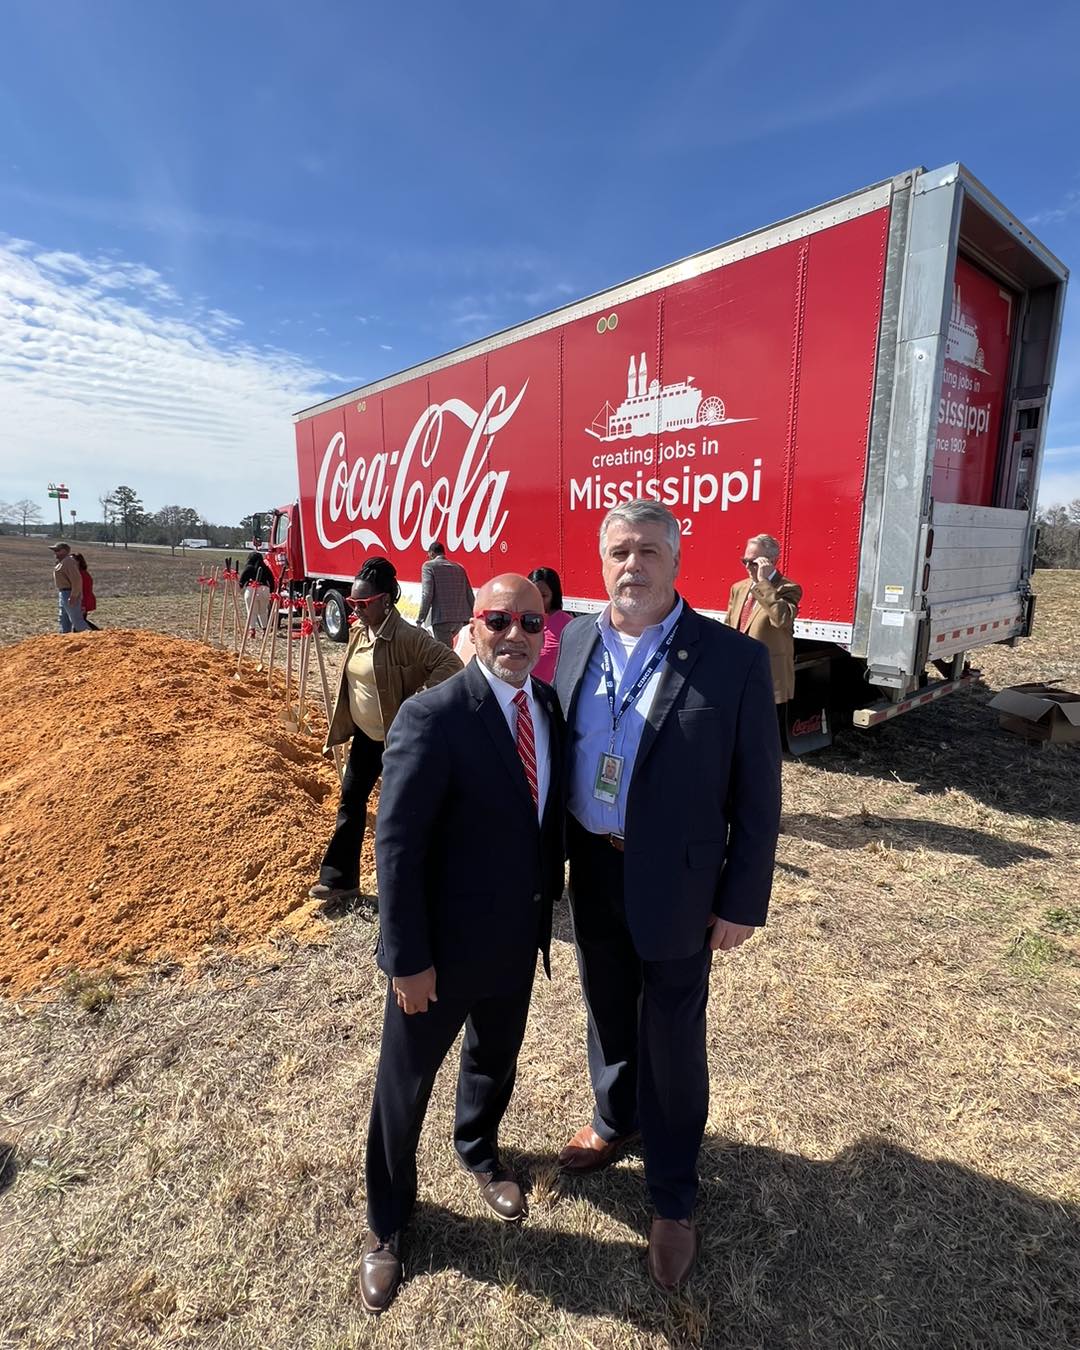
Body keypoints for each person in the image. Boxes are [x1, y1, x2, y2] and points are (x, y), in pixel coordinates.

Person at [554, 499, 781, 1292]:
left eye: (649, 550)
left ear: (677, 561)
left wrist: (742, 898)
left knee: (674, 1038)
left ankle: (674, 1195)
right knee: (606, 1005)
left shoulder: (731, 659)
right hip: (593, 865)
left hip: (682, 882)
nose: (633, 564)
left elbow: (758, 794)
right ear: (601, 560)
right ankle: (616, 1118)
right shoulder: (574, 640)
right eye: (620, 550)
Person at [360, 574, 565, 1315]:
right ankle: (388, 1222)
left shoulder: (546, 706)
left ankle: (479, 1149)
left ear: (546, 632)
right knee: (404, 1087)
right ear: (472, 627)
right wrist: (407, 959)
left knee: (493, 1058)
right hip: (439, 956)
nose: (515, 635)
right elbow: (397, 848)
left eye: (530, 623)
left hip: (516, 940)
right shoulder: (432, 715)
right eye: (498, 620)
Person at [308, 557, 461, 908]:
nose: (356, 609)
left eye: (363, 603)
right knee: (351, 803)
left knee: (400, 815)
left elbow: (451, 664)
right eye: (352, 602)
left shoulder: (407, 636)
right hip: (365, 737)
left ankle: (411, 886)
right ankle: (340, 881)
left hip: (397, 740)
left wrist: (417, 702)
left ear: (385, 600)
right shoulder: (359, 633)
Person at [723, 534, 803, 735]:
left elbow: (782, 619)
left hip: (768, 677)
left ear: (771, 561)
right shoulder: (738, 588)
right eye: (744, 561)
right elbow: (729, 625)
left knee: (764, 735)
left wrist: (764, 582)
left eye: (754, 562)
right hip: (737, 672)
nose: (748, 567)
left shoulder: (788, 588)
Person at [416, 542, 475, 647]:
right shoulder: (459, 568)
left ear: (432, 553)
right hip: (459, 620)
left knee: (444, 653)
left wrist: (420, 620)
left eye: (428, 555)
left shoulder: (428, 566)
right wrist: (475, 616)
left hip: (441, 619)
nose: (428, 558)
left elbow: (427, 594)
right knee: (446, 650)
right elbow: (469, 594)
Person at [528, 566, 573, 683]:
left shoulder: (566, 624)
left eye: (543, 595)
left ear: (553, 595)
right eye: (534, 594)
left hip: (549, 690)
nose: (538, 600)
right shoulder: (519, 619)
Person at [50, 542, 88, 634]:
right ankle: (64, 636)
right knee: (64, 619)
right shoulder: (62, 562)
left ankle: (91, 636)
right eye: (54, 550)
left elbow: (76, 580)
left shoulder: (68, 561)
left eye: (57, 550)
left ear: (64, 551)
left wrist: (74, 595)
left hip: (69, 592)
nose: (55, 552)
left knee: (76, 620)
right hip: (63, 592)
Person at [238, 550, 273, 634]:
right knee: (263, 611)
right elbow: (271, 581)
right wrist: (271, 591)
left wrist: (240, 587)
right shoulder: (266, 568)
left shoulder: (248, 568)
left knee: (251, 611)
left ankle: (252, 630)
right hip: (264, 590)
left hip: (251, 590)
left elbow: (241, 581)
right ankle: (265, 629)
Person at [73, 554, 99, 631]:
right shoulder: (80, 573)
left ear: (78, 561)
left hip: (84, 600)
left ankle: (98, 632)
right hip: (84, 600)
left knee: (80, 621)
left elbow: (84, 590)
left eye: (73, 560)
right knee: (80, 620)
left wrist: (83, 605)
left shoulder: (81, 574)